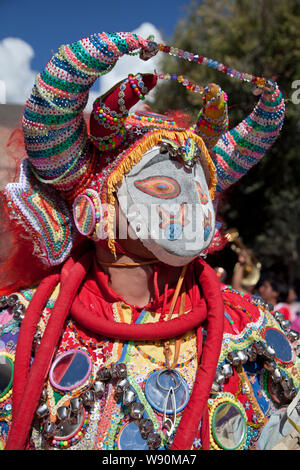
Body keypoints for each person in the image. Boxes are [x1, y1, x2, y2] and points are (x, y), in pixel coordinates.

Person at [0, 31, 298, 451]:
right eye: (162, 187)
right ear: (96, 209)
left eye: (200, 188)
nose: (195, 206)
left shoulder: (252, 327)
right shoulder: (19, 329)